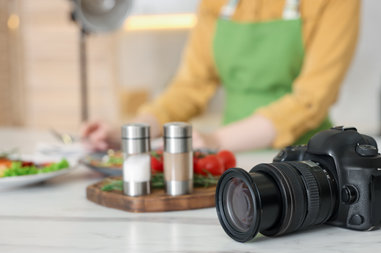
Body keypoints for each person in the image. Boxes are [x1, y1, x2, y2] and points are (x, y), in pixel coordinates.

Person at [82, 0, 360, 152]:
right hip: (230, 160)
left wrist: (217, 141)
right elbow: (189, 88)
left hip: (307, 157)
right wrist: (133, 133)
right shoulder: (216, 3)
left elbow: (310, 100)